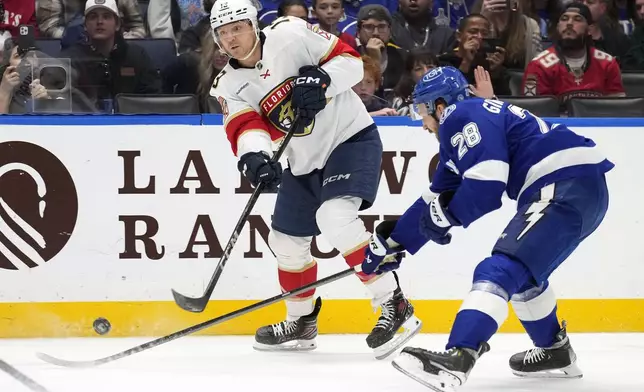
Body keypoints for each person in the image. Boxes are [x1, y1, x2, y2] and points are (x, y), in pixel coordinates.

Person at [360, 66, 614, 390]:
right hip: (578, 185)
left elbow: (486, 185)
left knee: (498, 269)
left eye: (423, 111)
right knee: (522, 273)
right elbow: (435, 198)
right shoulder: (471, 120)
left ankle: (459, 355)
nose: (422, 122)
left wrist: (445, 216)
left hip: (562, 185)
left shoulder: (459, 115)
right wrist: (395, 242)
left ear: (440, 105)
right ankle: (554, 351)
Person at [208, 0, 422, 358]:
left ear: (252, 25)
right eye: (223, 32)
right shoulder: (227, 84)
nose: (232, 37)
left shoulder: (290, 33)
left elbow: (351, 63)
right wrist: (255, 157)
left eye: (238, 27)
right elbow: (246, 126)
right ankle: (301, 320)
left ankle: (393, 301)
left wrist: (322, 80)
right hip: (303, 162)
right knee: (286, 240)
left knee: (334, 218)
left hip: (349, 139)